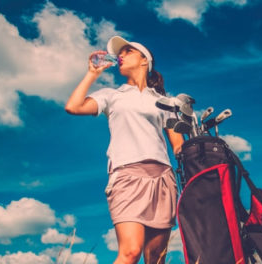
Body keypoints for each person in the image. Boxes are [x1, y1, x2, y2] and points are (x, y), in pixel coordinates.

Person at [65, 36, 184, 264]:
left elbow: (177, 145)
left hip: (163, 180)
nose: (121, 55)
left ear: (144, 61)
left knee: (156, 258)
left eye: (128, 51)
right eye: (121, 52)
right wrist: (93, 73)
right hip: (127, 176)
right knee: (130, 252)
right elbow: (74, 106)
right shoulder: (112, 95)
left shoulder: (165, 101)